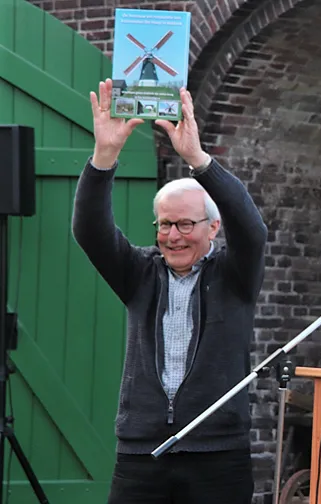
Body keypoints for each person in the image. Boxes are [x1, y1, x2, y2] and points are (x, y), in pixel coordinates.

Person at [72, 79, 267, 504]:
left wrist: (197, 159)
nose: (172, 236)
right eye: (164, 224)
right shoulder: (139, 272)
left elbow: (251, 229)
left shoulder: (235, 275)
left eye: (184, 225)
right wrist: (104, 156)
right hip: (142, 455)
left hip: (218, 454)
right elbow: (89, 230)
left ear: (213, 228)